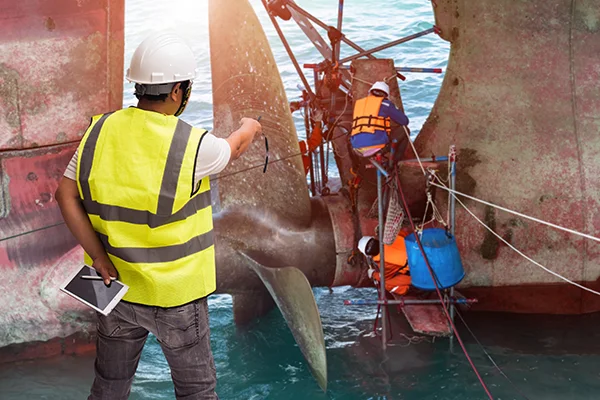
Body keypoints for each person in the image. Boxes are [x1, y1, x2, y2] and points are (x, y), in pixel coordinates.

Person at [55, 31, 261, 400]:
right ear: (179, 91)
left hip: (110, 285)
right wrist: (251, 125)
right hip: (175, 295)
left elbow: (64, 195)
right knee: (196, 392)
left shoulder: (98, 129)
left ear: (138, 86)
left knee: (109, 386)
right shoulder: (194, 146)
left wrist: (99, 256)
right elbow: (236, 146)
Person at [350, 81, 409, 158]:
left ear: (370, 92)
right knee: (404, 130)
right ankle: (396, 161)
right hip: (376, 146)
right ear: (385, 95)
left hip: (356, 148)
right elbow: (404, 121)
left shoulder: (359, 104)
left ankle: (355, 166)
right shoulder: (386, 104)